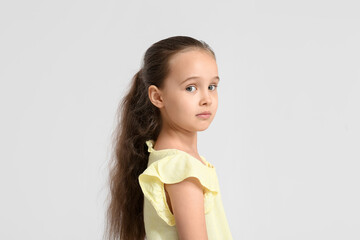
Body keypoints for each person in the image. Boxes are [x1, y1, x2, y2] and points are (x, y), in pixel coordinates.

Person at [104, 36, 233, 240]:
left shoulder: (167, 160)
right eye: (191, 88)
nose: (207, 99)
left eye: (212, 86)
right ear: (157, 96)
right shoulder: (181, 170)